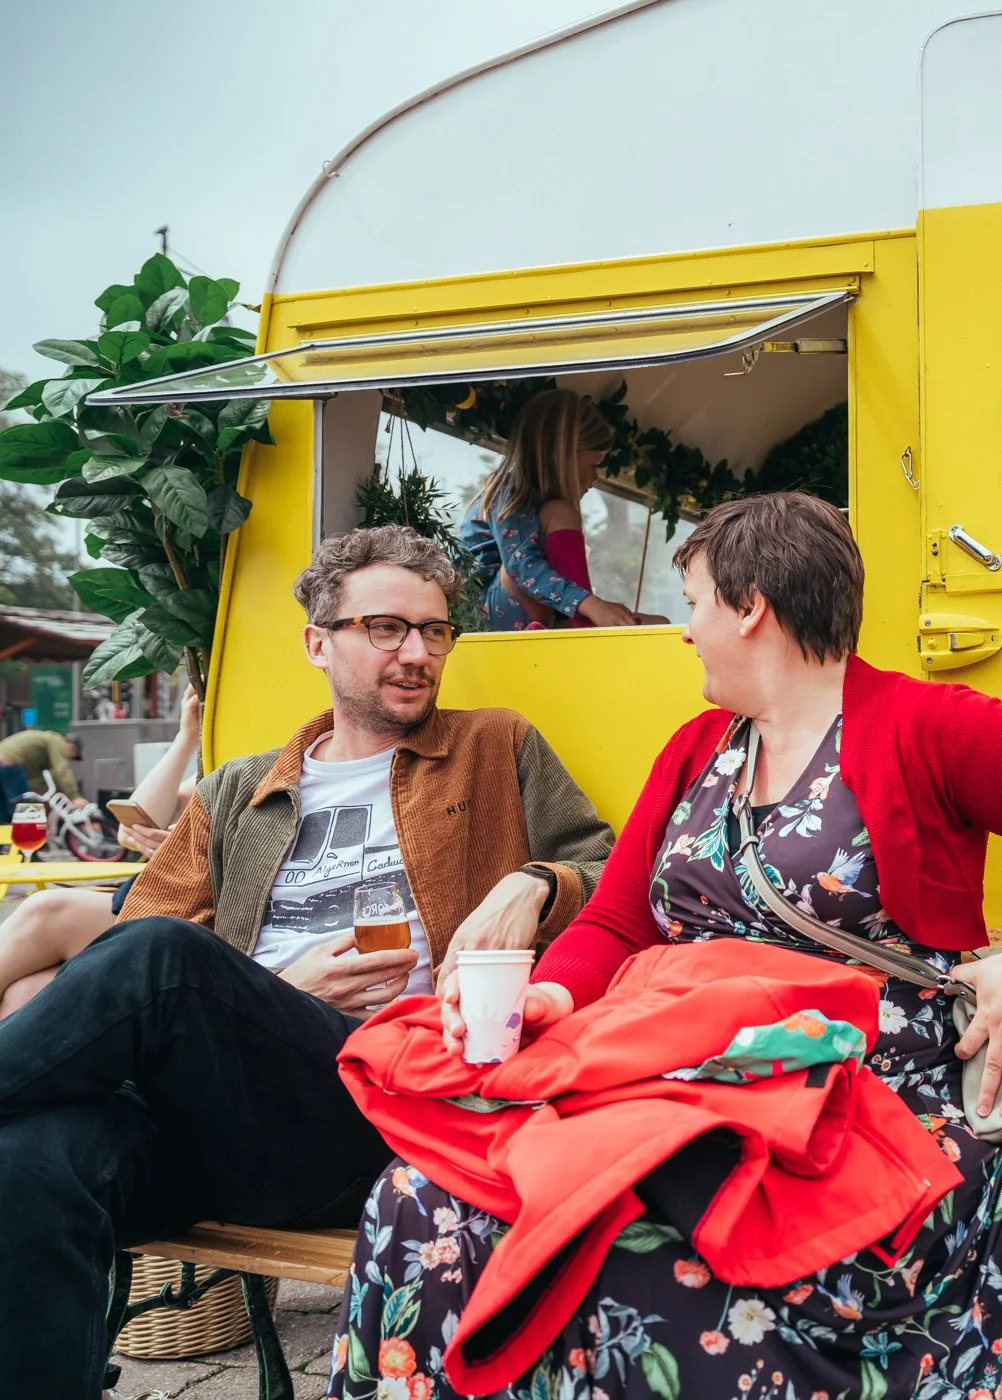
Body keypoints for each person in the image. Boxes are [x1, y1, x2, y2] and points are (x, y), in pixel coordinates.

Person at [327, 492, 1002, 1399]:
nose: (684, 631)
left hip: (855, 1099)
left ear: (750, 606)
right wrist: (554, 996)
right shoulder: (696, 748)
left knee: (639, 1252)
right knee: (420, 1201)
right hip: (684, 1081)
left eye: (691, 602)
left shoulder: (930, 727)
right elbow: (619, 923)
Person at [0, 525, 614, 1399]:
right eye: (387, 629)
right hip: (220, 1120)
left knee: (167, 962)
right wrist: (273, 991)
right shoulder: (237, 790)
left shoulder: (493, 745)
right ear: (317, 642)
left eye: (435, 631)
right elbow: (137, 947)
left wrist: (532, 880)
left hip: (380, 1107)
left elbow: (609, 875)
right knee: (24, 1162)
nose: (418, 652)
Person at [0, 684, 204, 1017]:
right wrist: (187, 736)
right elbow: (135, 822)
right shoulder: (226, 757)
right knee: (25, 993)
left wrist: (189, 848)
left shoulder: (269, 760)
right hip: (159, 902)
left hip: (191, 911)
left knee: (46, 908)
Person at [460, 388, 651, 631]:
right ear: (562, 457)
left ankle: (572, 622)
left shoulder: (536, 506)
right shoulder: (509, 493)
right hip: (479, 620)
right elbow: (521, 566)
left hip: (514, 610)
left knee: (661, 623)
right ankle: (580, 623)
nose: (595, 477)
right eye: (593, 465)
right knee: (554, 520)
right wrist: (590, 604)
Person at [0, 725, 83, 803]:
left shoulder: (43, 741)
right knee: (21, 806)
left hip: (4, 763)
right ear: (72, 746)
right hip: (8, 765)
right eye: (72, 757)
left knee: (3, 807)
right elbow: (62, 771)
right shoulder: (57, 741)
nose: (68, 759)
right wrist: (75, 797)